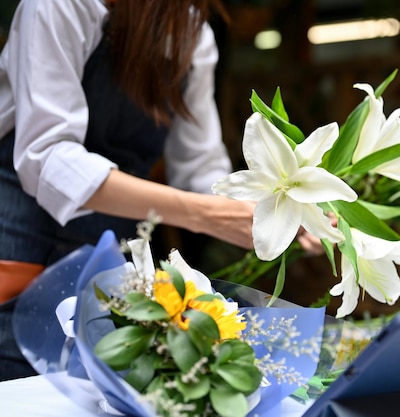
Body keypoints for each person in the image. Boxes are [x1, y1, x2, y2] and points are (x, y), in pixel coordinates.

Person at [0, 0, 320, 381]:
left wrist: (281, 212)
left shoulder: (190, 31)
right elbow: (47, 157)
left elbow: (200, 169)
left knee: (96, 380)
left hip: (110, 248)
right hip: (20, 233)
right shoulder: (59, 7)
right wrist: (203, 214)